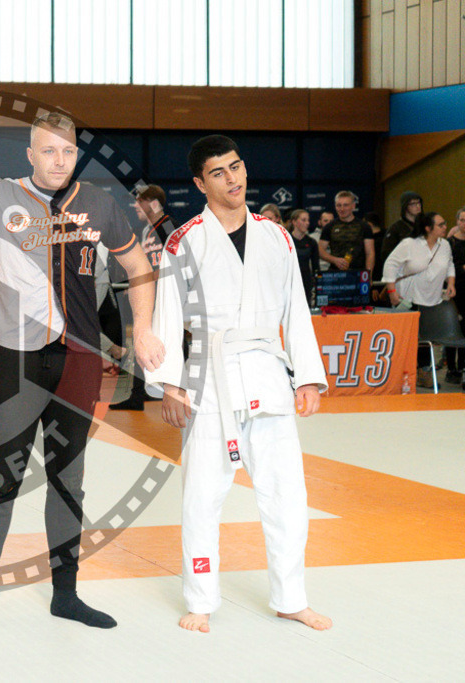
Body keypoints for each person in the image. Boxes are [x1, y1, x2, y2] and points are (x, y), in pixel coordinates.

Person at [0, 111, 164, 637]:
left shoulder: (99, 204)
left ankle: (67, 593)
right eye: (48, 151)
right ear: (30, 154)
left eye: (67, 152)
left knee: (70, 480)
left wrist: (145, 331)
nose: (59, 161)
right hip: (16, 360)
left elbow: (138, 267)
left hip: (80, 361)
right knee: (1, 478)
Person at [146, 134, 331, 634]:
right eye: (219, 173)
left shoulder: (277, 236)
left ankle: (291, 597)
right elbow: (167, 315)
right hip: (210, 376)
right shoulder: (184, 241)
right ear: (199, 183)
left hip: (269, 374)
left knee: (287, 494)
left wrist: (308, 375)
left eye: (237, 167)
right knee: (203, 497)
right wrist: (169, 383)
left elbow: (296, 307)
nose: (233, 179)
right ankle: (201, 599)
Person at [110, 183, 178, 411]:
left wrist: (149, 281)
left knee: (173, 342)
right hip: (154, 297)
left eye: (140, 201)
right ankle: (137, 395)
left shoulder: (166, 225)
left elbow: (178, 263)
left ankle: (174, 390)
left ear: (154, 204)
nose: (135, 205)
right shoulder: (147, 230)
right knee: (143, 340)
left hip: (166, 298)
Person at [382, 211, 456, 389]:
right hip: (409, 296)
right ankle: (405, 372)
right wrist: (391, 290)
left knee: (425, 335)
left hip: (433, 297)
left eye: (445, 223)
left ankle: (422, 371)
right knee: (410, 335)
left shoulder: (444, 245)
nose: (445, 226)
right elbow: (390, 264)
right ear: (428, 228)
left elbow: (450, 263)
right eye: (441, 224)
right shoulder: (410, 244)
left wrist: (451, 282)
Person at [318, 191, 374, 274]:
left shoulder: (364, 226)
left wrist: (369, 274)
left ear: (353, 206)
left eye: (345, 205)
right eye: (339, 205)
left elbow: (370, 253)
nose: (342, 209)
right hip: (335, 274)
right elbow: (320, 250)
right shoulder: (329, 227)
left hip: (358, 273)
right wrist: (334, 260)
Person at [445, 207, 465, 386]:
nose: (464, 224)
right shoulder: (448, 243)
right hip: (453, 291)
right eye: (462, 220)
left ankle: (463, 367)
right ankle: (451, 368)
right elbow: (444, 267)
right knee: (452, 330)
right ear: (457, 222)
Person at [380, 191, 424, 273]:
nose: (418, 206)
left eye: (419, 203)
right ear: (405, 206)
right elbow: (386, 254)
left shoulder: (425, 225)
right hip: (403, 272)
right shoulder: (395, 229)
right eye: (413, 204)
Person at [286, 209, 320, 306]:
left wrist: (317, 285)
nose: (307, 223)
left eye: (308, 220)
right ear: (294, 222)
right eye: (303, 220)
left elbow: (316, 267)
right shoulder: (286, 240)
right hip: (290, 281)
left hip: (306, 281)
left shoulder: (311, 242)